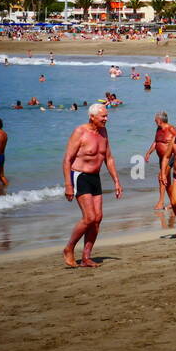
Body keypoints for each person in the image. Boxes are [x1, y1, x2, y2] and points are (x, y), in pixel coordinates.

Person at [61, 103, 123, 268]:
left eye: (106, 116)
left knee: (97, 219)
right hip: (80, 176)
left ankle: (86, 257)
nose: (106, 119)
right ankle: (69, 248)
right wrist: (68, 184)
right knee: (89, 217)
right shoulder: (80, 132)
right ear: (92, 117)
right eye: (103, 116)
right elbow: (67, 159)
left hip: (95, 177)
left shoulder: (103, 132)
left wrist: (116, 181)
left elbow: (108, 158)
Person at [143, 112, 176, 210]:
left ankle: (161, 202)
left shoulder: (171, 129)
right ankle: (173, 203)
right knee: (167, 181)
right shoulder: (158, 129)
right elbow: (156, 142)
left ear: (160, 120)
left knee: (161, 177)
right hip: (161, 159)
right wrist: (149, 153)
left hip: (170, 158)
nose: (154, 120)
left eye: (156, 119)